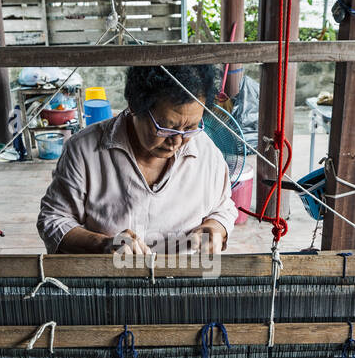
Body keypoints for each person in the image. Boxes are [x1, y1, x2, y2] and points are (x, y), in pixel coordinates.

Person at [37, 64, 238, 255]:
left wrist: (215, 228)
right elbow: (53, 220)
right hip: (112, 278)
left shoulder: (206, 152)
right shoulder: (84, 151)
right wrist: (104, 245)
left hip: (181, 279)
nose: (177, 141)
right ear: (134, 107)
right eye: (165, 127)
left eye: (190, 128)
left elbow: (223, 208)